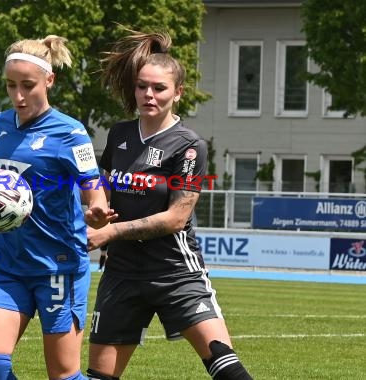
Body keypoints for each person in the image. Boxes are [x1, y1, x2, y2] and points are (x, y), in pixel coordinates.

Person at [85, 30, 252, 380]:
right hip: (122, 274)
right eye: (142, 86)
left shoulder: (189, 145)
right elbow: (103, 183)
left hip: (175, 271)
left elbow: (177, 217)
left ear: (178, 93)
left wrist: (110, 231)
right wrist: (97, 208)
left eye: (159, 88)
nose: (148, 95)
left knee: (226, 367)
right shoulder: (119, 134)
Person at [0, 35, 116, 380]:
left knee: (63, 375)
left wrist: (98, 209)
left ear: (49, 80)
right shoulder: (2, 125)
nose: (18, 96)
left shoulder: (71, 132)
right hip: (9, 263)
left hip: (58, 267)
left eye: (27, 86)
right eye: (11, 85)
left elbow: (92, 185)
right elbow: (3, 184)